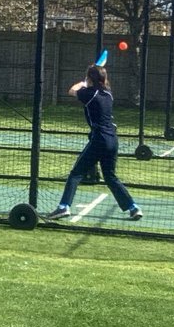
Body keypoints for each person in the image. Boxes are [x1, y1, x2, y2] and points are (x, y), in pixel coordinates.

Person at [46, 63, 142, 221]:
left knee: (76, 174)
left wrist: (83, 82)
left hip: (99, 139)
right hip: (112, 140)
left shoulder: (89, 93)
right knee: (110, 177)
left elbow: (71, 90)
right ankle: (133, 207)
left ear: (91, 78)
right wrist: (88, 81)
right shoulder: (108, 93)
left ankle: (63, 207)